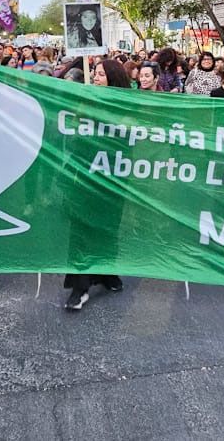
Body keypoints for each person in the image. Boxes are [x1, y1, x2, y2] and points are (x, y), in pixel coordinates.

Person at [64, 58, 128, 311]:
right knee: (82, 230)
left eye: (102, 74)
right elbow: (75, 137)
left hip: (113, 178)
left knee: (108, 229)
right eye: (96, 74)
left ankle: (106, 271)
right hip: (86, 177)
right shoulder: (86, 101)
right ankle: (80, 287)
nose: (98, 77)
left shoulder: (127, 104)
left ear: (113, 77)